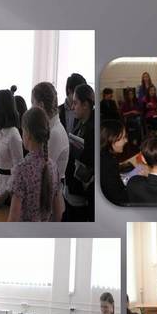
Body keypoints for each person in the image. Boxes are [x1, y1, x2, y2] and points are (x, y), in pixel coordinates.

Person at [7, 107, 62, 221]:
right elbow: (58, 213)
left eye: (23, 130)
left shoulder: (21, 170)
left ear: (28, 134)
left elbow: (13, 219)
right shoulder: (53, 167)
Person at [65, 83, 96, 221]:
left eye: (75, 103)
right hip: (74, 186)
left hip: (85, 190)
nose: (72, 107)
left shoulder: (93, 129)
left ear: (85, 105)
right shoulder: (80, 122)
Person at [32, 82, 70, 178]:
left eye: (33, 103)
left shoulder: (54, 133)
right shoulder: (51, 128)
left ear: (41, 105)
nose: (31, 108)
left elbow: (41, 169)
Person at [100, 119, 129, 206]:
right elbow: (119, 197)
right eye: (123, 138)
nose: (126, 141)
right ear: (111, 140)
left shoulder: (106, 156)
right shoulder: (108, 165)